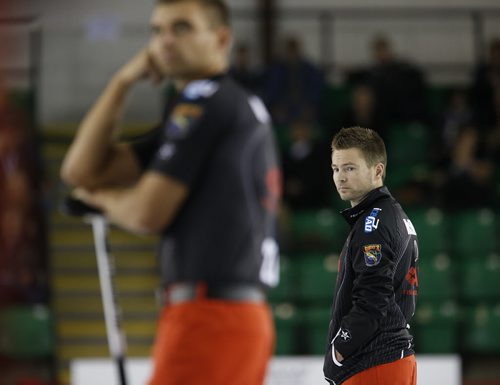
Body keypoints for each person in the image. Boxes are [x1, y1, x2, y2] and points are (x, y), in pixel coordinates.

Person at [60, 1, 281, 384]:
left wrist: (101, 201)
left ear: (221, 38)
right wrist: (122, 82)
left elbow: (146, 213)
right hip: (231, 316)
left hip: (210, 316)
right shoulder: (218, 107)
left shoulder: (207, 101)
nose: (164, 41)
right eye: (156, 30)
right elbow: (80, 170)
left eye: (181, 28)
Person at [323, 127, 418, 385]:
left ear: (377, 170)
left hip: (373, 364)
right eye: (336, 169)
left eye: (350, 168)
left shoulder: (372, 225)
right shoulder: (392, 215)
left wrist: (338, 351)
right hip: (390, 359)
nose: (340, 177)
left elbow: (371, 299)